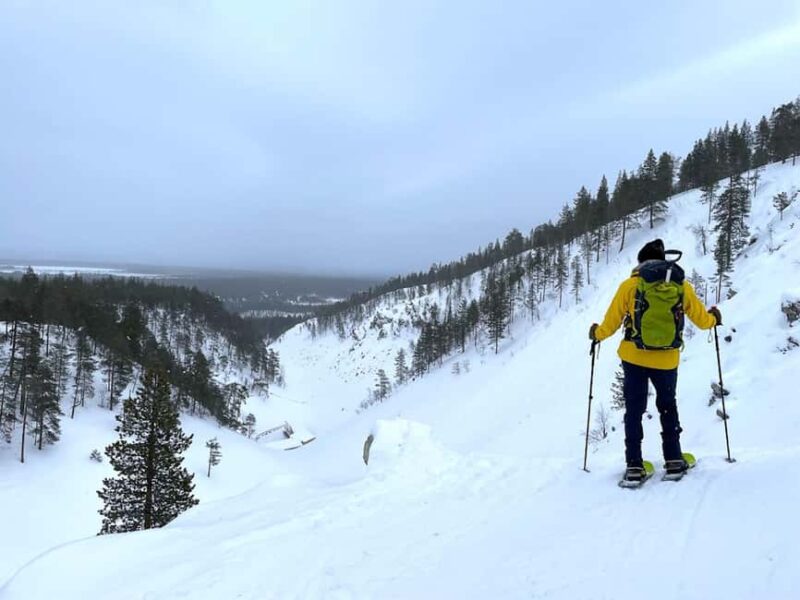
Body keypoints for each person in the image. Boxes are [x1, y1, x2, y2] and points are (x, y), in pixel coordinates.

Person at [589, 239, 721, 482]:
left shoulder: (630, 286)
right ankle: (673, 461)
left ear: (641, 262)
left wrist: (596, 333)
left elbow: (610, 323)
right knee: (667, 406)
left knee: (634, 410)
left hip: (633, 357)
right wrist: (714, 318)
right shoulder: (682, 286)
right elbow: (703, 321)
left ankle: (635, 466)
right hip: (667, 360)